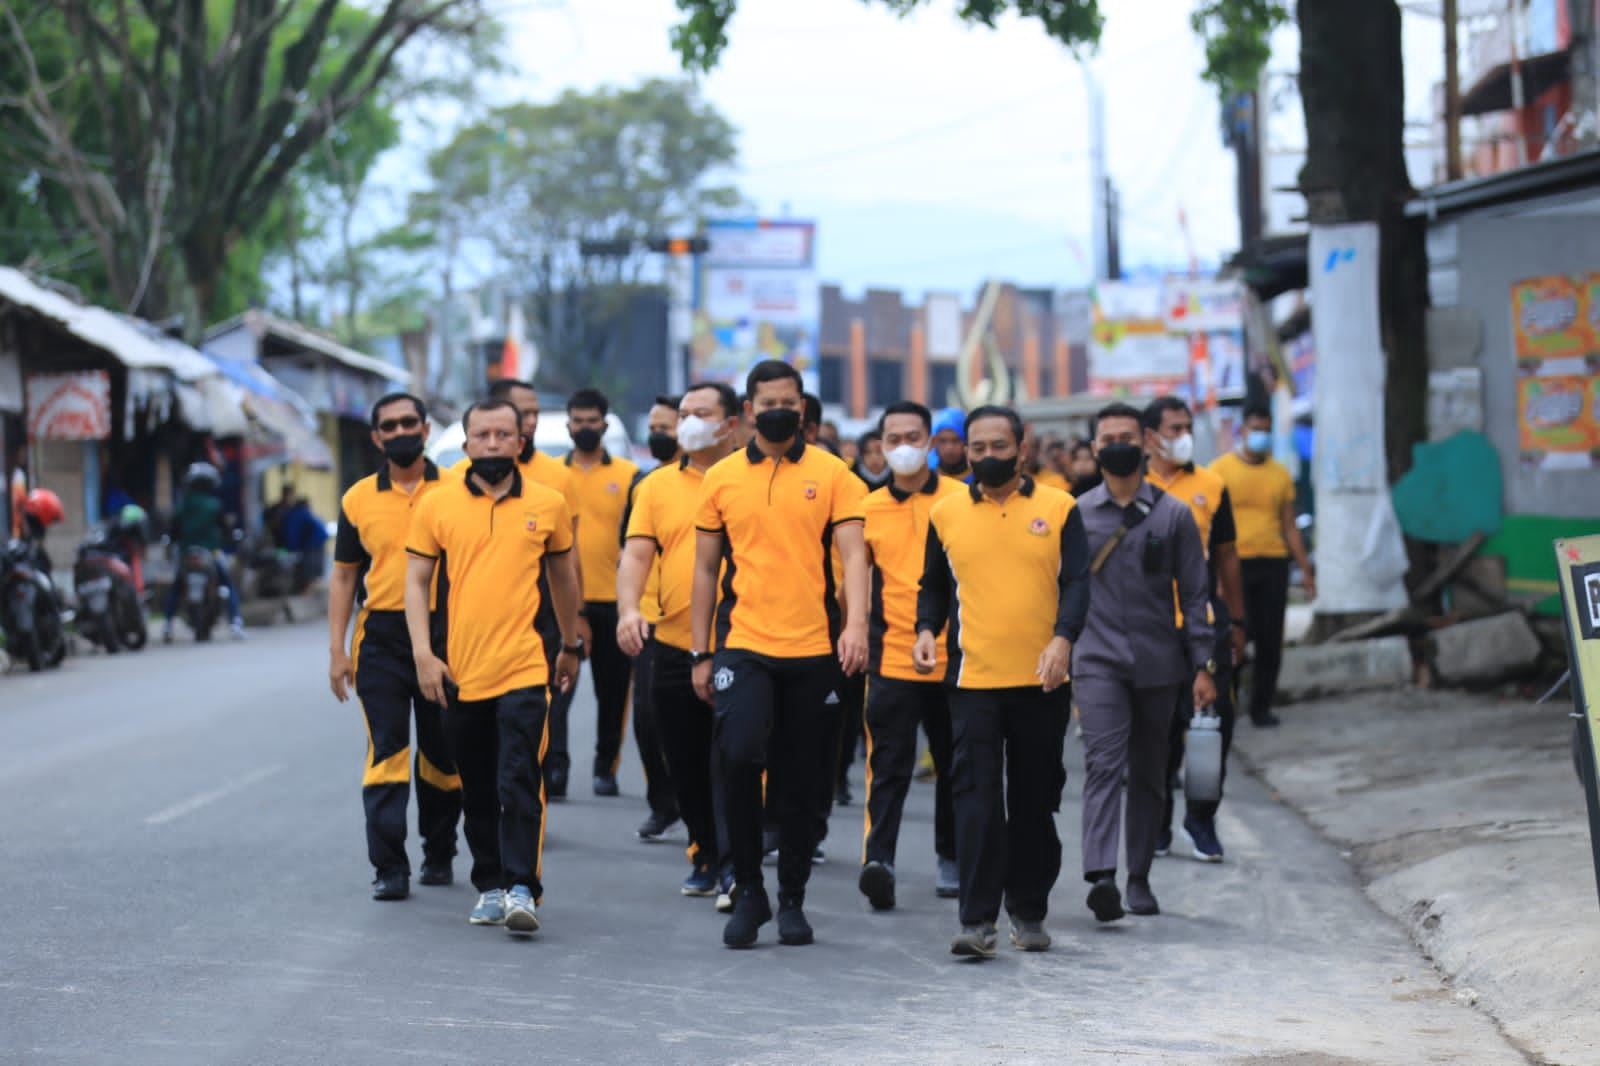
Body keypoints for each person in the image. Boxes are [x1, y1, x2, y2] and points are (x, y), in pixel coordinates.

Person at [690, 359, 869, 949]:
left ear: (802, 408)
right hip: (744, 645)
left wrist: (857, 627)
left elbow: (853, 558)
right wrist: (700, 650)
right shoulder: (721, 479)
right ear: (748, 410)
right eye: (768, 400)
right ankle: (748, 888)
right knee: (739, 756)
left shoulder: (835, 474)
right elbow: (706, 570)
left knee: (802, 776)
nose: (779, 409)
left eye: (789, 400)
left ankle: (791, 896)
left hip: (814, 648)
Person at [914, 405, 1088, 958]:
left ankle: (1030, 911)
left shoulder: (1060, 508)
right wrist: (925, 629)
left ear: (1022, 446)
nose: (988, 456)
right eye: (978, 447)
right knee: (976, 801)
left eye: (998, 446)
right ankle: (976, 920)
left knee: (1035, 800)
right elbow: (934, 588)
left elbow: (1078, 582)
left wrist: (1063, 639)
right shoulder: (944, 513)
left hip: (1042, 682)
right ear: (966, 450)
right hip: (973, 682)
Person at [405, 398, 583, 936]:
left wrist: (570, 643)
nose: (492, 444)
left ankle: (523, 885)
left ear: (520, 442)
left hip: (526, 666)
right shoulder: (436, 504)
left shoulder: (548, 503)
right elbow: (416, 583)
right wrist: (423, 655)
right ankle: (490, 885)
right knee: (476, 784)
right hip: (461, 670)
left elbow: (564, 580)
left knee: (519, 778)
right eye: (482, 435)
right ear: (465, 444)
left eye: (503, 435)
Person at [1072, 403, 1216, 922]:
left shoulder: (1175, 515)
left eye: (1126, 435)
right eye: (1107, 436)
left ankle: (1138, 878)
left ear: (1147, 442)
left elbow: (1196, 594)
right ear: (1094, 449)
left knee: (1151, 772)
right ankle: (1101, 875)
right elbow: (1064, 592)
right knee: (1103, 763)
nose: (1117, 444)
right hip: (1097, 661)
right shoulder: (1079, 515)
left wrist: (1204, 665)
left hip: (1160, 662)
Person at [328, 392, 462, 901]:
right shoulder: (358, 499)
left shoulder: (456, 491)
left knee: (441, 753)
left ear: (427, 430)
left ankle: (439, 851)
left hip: (445, 633)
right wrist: (338, 652)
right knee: (387, 751)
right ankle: (389, 867)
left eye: (410, 422)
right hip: (381, 639)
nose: (402, 431)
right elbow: (344, 580)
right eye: (391, 425)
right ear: (377, 437)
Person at [618, 382, 740, 897]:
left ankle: (737, 862)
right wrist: (628, 609)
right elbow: (637, 555)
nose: (688, 422)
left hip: (744, 640)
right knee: (684, 758)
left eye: (701, 413)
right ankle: (705, 853)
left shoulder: (750, 481)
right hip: (671, 640)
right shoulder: (656, 487)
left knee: (736, 755)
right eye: (683, 413)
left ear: (730, 423)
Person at [857, 401, 964, 912]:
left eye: (913, 436)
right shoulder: (866, 508)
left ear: (932, 442)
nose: (903, 446)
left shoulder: (962, 500)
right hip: (891, 656)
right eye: (893, 437)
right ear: (879, 446)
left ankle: (952, 856)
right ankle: (879, 860)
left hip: (957, 659)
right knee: (890, 763)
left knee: (954, 762)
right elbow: (853, 586)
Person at [467, 379, 585, 796]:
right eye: (524, 412)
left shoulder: (556, 481)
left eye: (534, 414)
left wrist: (575, 626)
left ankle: (534, 794)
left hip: (542, 621)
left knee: (534, 722)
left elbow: (568, 562)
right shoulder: (451, 487)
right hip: (472, 637)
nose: (532, 421)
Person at [1143, 397, 1247, 863]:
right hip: (1150, 626)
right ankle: (1158, 821)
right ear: (1151, 436)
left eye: (1187, 426)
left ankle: (1201, 820)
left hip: (1205, 624)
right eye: (1174, 427)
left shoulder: (1212, 485)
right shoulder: (1132, 486)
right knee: (1157, 730)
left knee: (1213, 726)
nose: (1184, 434)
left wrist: (1238, 622)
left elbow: (1226, 556)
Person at [1209, 403, 1316, 727]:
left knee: (1271, 638)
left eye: (1266, 431)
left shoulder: (1279, 475)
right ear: (1242, 431)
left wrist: (1306, 570)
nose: (1261, 436)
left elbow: (1290, 526)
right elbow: (1210, 526)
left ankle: (1262, 706)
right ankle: (1228, 701)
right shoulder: (1219, 472)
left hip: (1273, 562)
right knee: (1236, 632)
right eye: (1255, 430)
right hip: (1235, 564)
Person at [562, 387, 641, 797]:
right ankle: (554, 769)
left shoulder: (628, 476)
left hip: (614, 601)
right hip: (566, 600)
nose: (585, 428)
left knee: (613, 693)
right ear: (568, 425)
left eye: (593, 421)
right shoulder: (555, 476)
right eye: (579, 421)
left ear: (605, 425)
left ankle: (604, 767)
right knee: (558, 690)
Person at [629, 395, 682, 841]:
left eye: (666, 427)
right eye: (654, 427)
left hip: (698, 621)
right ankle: (663, 803)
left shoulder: (714, 483)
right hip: (648, 620)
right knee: (647, 717)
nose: (657, 436)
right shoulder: (644, 487)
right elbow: (629, 553)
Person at [163, 461, 245, 641]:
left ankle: (167, 625)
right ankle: (236, 622)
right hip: (212, 552)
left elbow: (173, 531)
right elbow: (226, 530)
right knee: (228, 584)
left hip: (186, 553)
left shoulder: (182, 505)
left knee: (176, 588)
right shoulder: (214, 505)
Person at [930, 407, 971, 481]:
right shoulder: (926, 477)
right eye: (942, 441)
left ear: (966, 441)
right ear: (934, 442)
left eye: (956, 440)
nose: (949, 447)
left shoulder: (980, 478)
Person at [1024, 427, 1071, 492]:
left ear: (1038, 450)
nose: (1027, 453)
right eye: (1023, 448)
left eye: (1031, 447)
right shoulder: (1010, 480)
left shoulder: (1055, 479)